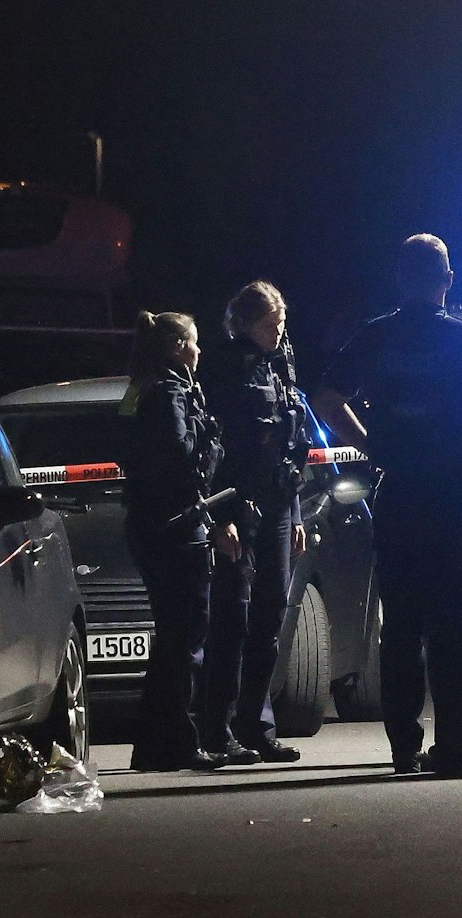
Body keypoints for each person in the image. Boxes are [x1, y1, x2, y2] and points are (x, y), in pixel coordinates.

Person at [310, 235, 462, 776]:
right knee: (461, 622)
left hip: (402, 494)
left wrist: (371, 444)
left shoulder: (377, 336)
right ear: (447, 280)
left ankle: (404, 744)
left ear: (401, 279)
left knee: (401, 625)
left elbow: (327, 399)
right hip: (460, 498)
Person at [119, 311, 239, 771]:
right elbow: (181, 459)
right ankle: (176, 744)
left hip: (149, 525)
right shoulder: (171, 392)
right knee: (186, 637)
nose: (199, 352)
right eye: (194, 343)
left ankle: (153, 744)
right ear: (177, 348)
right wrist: (211, 446)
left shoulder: (138, 389)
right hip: (176, 527)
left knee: (171, 638)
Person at [197, 280, 310, 767]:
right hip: (240, 508)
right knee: (232, 623)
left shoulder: (281, 364)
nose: (276, 332)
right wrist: (220, 516)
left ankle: (256, 726)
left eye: (280, 323)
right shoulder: (224, 370)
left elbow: (293, 441)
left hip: (281, 505)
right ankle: (217, 729)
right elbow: (214, 453)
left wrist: (299, 512)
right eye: (268, 325)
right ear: (243, 324)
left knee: (268, 621)